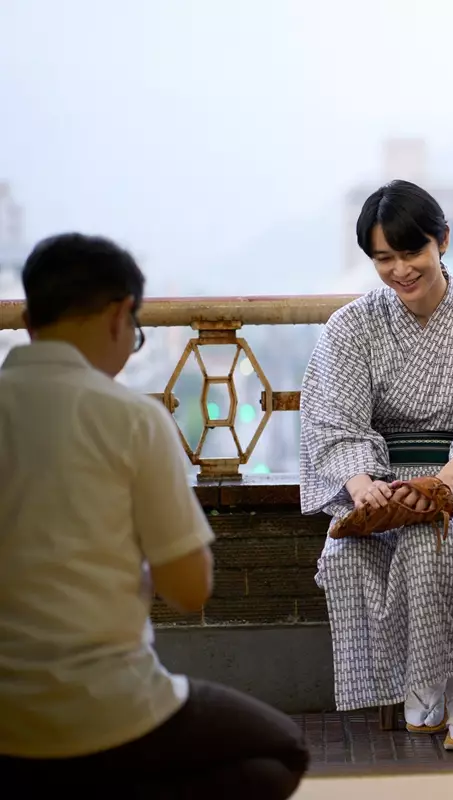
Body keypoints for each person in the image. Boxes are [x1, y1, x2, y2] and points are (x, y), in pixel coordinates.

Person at [0, 233, 310, 796]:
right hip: (110, 705)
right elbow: (189, 590)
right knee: (281, 750)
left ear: (27, 320)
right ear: (121, 315)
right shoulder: (129, 418)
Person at [299, 180, 453, 750]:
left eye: (412, 252)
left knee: (431, 539)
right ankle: (420, 679)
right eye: (384, 258)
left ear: (442, 241)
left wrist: (440, 484)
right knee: (348, 550)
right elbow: (333, 418)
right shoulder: (351, 326)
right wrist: (362, 486)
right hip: (378, 486)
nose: (400, 270)